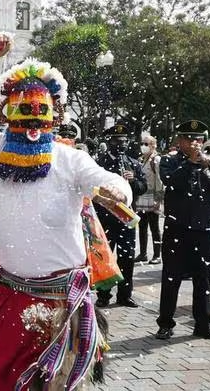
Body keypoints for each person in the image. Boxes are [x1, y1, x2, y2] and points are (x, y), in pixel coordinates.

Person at [0, 33, 132, 390]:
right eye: (23, 111)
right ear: (6, 111)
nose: (32, 122)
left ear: (54, 114)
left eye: (40, 112)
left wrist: (117, 190)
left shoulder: (70, 159)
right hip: (8, 291)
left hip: (60, 302)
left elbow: (110, 180)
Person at [155, 120, 210, 341]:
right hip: (177, 229)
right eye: (188, 139)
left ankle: (203, 324)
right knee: (171, 277)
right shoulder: (170, 161)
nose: (194, 143)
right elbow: (171, 181)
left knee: (203, 279)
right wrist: (190, 162)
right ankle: (166, 323)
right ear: (179, 141)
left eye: (198, 139)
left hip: (204, 229)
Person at [94, 125, 147, 308]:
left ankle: (125, 295)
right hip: (105, 217)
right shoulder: (99, 163)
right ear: (109, 141)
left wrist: (134, 181)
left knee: (127, 257)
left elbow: (143, 187)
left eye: (124, 141)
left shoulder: (133, 162)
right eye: (117, 141)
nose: (122, 144)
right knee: (105, 257)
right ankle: (103, 294)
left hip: (126, 218)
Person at [136, 135, 164, 264]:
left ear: (153, 146)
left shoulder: (156, 160)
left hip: (152, 196)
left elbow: (159, 180)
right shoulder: (141, 159)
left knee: (154, 226)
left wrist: (158, 199)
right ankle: (143, 253)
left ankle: (157, 254)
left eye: (147, 144)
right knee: (142, 226)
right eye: (143, 143)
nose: (144, 146)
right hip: (141, 197)